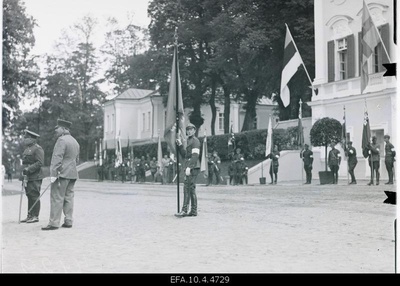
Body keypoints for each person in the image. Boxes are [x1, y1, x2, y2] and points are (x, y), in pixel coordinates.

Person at [42, 119, 80, 231]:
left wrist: (53, 173)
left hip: (61, 174)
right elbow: (76, 159)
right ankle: (68, 221)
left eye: (57, 128)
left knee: (56, 197)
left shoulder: (61, 140)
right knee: (69, 197)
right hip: (72, 174)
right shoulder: (75, 141)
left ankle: (54, 223)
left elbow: (57, 158)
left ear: (64, 129)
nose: (56, 130)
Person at [175, 123, 201, 217]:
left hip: (193, 167)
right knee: (191, 189)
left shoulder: (195, 141)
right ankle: (193, 211)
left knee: (187, 188)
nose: (189, 131)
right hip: (190, 166)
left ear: (194, 131)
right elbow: (185, 154)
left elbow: (195, 156)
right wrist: (180, 145)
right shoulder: (189, 140)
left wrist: (189, 167)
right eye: (188, 130)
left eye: (191, 129)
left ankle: (184, 210)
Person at [20, 130, 44, 223]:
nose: (24, 139)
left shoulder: (38, 149)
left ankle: (35, 216)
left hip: (35, 176)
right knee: (29, 195)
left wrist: (29, 169)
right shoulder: (27, 149)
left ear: (32, 139)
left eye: (26, 138)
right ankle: (29, 215)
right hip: (27, 176)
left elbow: (40, 162)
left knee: (34, 195)